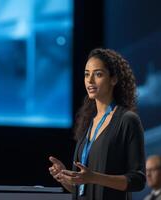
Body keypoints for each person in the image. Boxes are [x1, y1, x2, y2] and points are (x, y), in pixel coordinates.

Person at [49, 48, 146, 200]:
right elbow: (81, 190)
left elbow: (138, 181)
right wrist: (65, 177)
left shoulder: (127, 120)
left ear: (114, 79)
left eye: (98, 74)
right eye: (87, 74)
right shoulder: (88, 123)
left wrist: (93, 177)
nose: (90, 80)